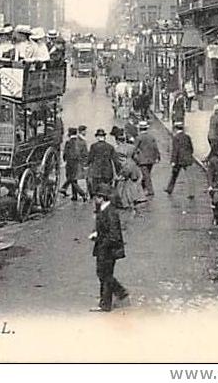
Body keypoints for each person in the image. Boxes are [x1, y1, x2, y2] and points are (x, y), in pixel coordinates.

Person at [89, 184, 128, 312]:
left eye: (96, 197)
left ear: (101, 198)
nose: (94, 200)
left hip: (108, 250)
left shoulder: (109, 212)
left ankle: (107, 302)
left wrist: (100, 241)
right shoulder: (104, 210)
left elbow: (114, 235)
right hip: (106, 248)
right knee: (104, 274)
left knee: (104, 275)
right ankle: (117, 294)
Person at [165, 121, 195, 199]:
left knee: (174, 174)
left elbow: (175, 150)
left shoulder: (176, 138)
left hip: (179, 159)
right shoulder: (187, 137)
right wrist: (189, 155)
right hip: (187, 158)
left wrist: (173, 161)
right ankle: (191, 193)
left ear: (175, 129)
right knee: (189, 176)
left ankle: (169, 189)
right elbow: (191, 148)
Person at [86, 129, 121, 197]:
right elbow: (115, 160)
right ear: (105, 137)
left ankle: (98, 203)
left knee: (97, 191)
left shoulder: (93, 146)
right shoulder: (110, 147)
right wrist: (118, 172)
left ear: (97, 137)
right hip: (107, 171)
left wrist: (86, 165)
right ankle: (106, 203)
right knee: (107, 190)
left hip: (97, 171)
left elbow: (90, 158)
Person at [114, 134, 143, 209]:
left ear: (117, 141)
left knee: (122, 185)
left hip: (125, 166)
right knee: (133, 183)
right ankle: (137, 198)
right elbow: (137, 156)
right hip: (133, 165)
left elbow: (118, 161)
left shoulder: (117, 149)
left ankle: (125, 202)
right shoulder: (132, 147)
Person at [132, 121, 160, 198]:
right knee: (147, 174)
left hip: (142, 160)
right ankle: (143, 189)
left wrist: (133, 157)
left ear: (140, 129)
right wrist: (158, 156)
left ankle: (150, 191)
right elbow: (155, 147)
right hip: (151, 159)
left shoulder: (138, 138)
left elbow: (134, 149)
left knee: (146, 175)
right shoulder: (151, 137)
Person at [61, 126, 89, 202]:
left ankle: (82, 194)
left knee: (72, 179)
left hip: (70, 164)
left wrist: (64, 160)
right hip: (78, 163)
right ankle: (74, 195)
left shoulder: (68, 142)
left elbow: (65, 154)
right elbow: (85, 153)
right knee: (74, 179)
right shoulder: (80, 141)